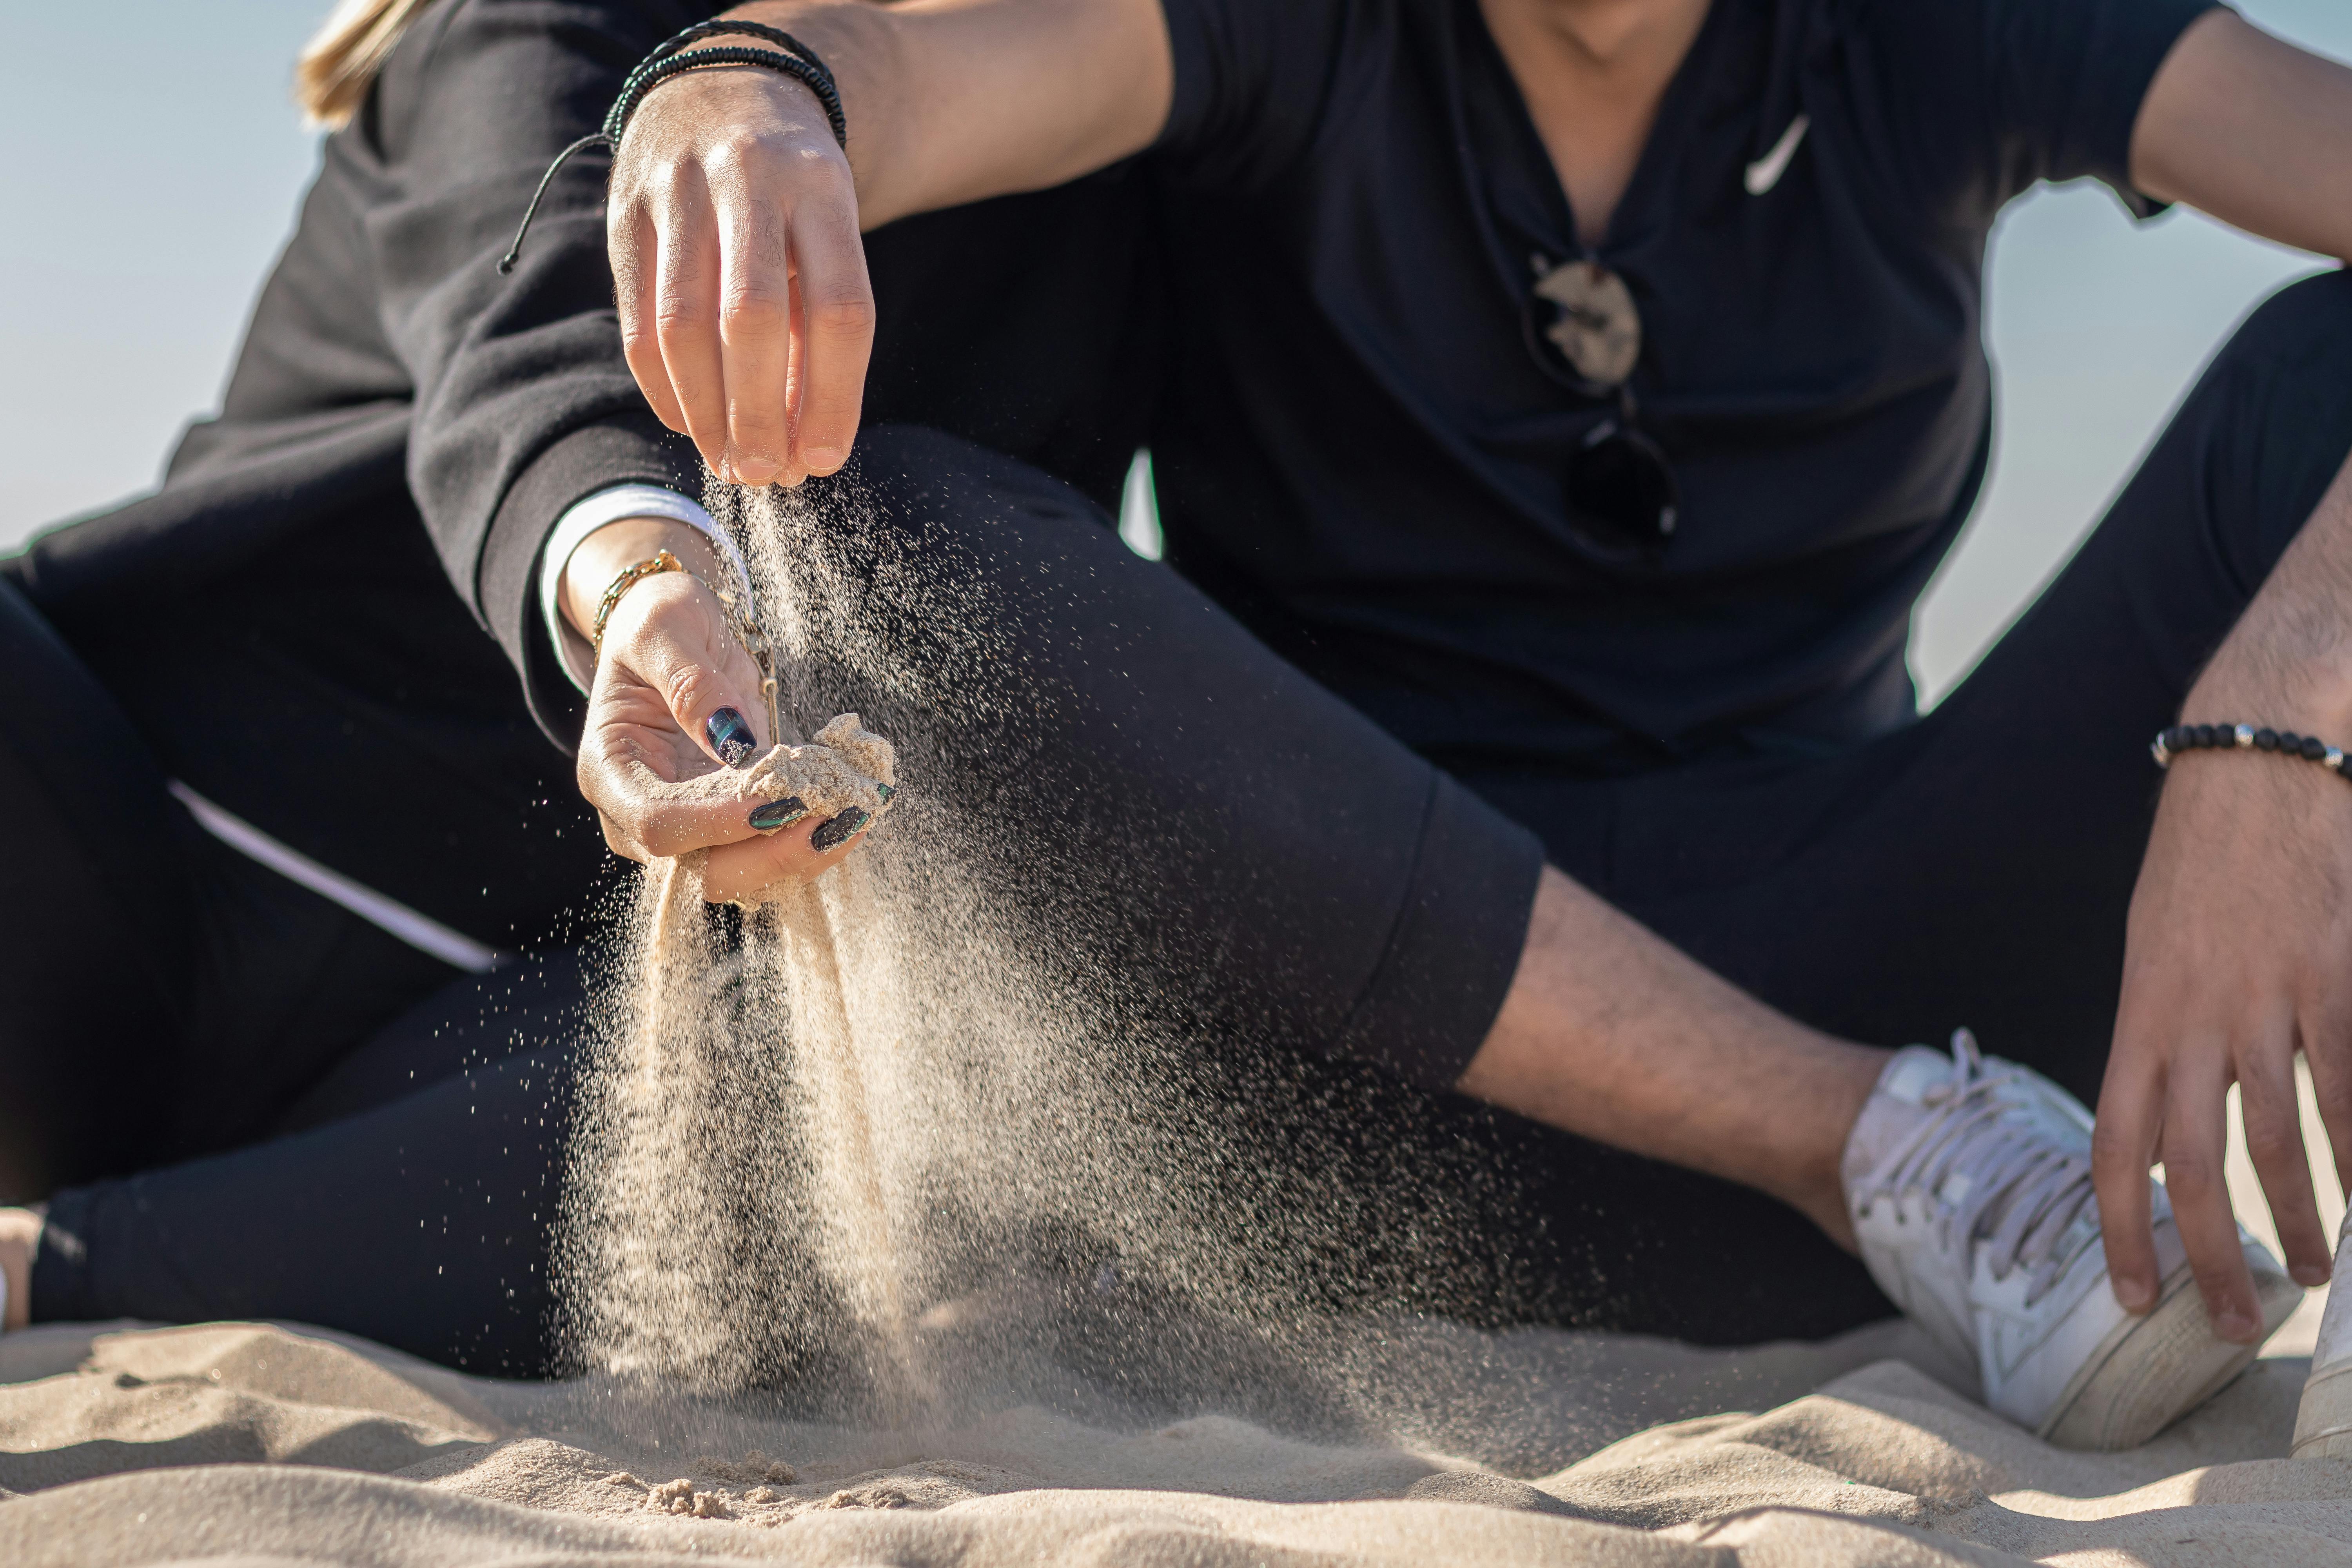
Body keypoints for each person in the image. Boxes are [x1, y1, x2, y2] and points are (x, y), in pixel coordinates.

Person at [0, 0, 2342, 1451]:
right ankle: (1872, 1147)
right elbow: (563, 321)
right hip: (168, 844)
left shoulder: (1938, 33)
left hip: (597, 1006)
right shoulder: (629, 36)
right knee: (893, 555)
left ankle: (1916, 1158)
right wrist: (729, 129)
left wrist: (2279, 722)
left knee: (874, 986)